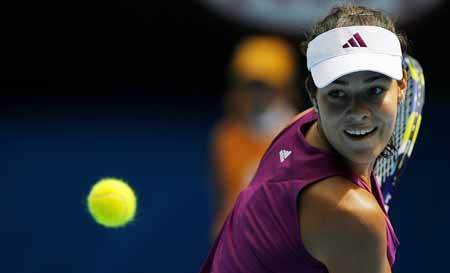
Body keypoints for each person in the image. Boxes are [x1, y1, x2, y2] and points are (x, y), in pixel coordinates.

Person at [200, 4, 408, 273]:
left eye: (374, 90)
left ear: (402, 85)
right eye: (338, 93)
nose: (358, 113)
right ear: (313, 94)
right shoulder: (353, 215)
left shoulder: (298, 125)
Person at [209, 36, 300, 238]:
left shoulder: (304, 138)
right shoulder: (225, 136)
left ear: (286, 89)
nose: (256, 96)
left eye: (265, 87)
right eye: (249, 86)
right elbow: (224, 198)